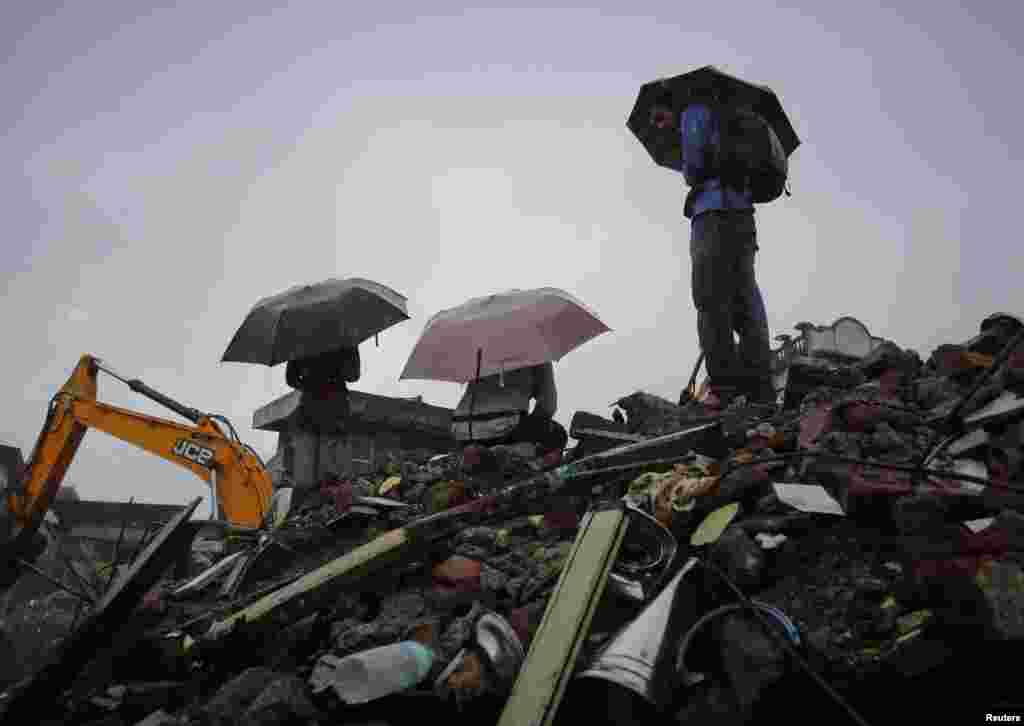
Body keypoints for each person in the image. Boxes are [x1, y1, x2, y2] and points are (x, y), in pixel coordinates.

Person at [650, 87, 776, 408]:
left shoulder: (694, 112)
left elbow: (693, 169)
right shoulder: (730, 119)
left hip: (712, 215)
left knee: (710, 302)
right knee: (746, 301)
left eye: (660, 116)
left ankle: (723, 388)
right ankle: (761, 391)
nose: (659, 123)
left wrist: (686, 148)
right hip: (743, 218)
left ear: (670, 106)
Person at [451, 362, 568, 456]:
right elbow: (548, 405)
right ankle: (517, 454)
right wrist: (530, 428)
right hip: (504, 427)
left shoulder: (481, 345)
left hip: (462, 429)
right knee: (557, 434)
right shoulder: (537, 351)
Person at [283, 345, 361, 487]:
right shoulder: (346, 336)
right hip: (335, 412)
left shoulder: (302, 336)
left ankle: (304, 506)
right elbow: (353, 375)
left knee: (304, 480)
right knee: (331, 480)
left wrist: (310, 382)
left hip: (309, 410)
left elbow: (291, 378)